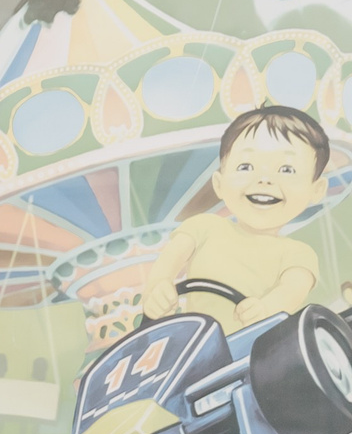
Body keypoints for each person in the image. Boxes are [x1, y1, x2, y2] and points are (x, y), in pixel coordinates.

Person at [139, 105, 330, 330]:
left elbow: (292, 289)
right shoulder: (203, 227)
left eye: (286, 169)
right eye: (246, 166)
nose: (264, 180)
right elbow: (167, 264)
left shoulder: (298, 254)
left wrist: (267, 309)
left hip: (253, 353)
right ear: (219, 183)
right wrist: (157, 290)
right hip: (194, 345)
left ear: (316, 190)